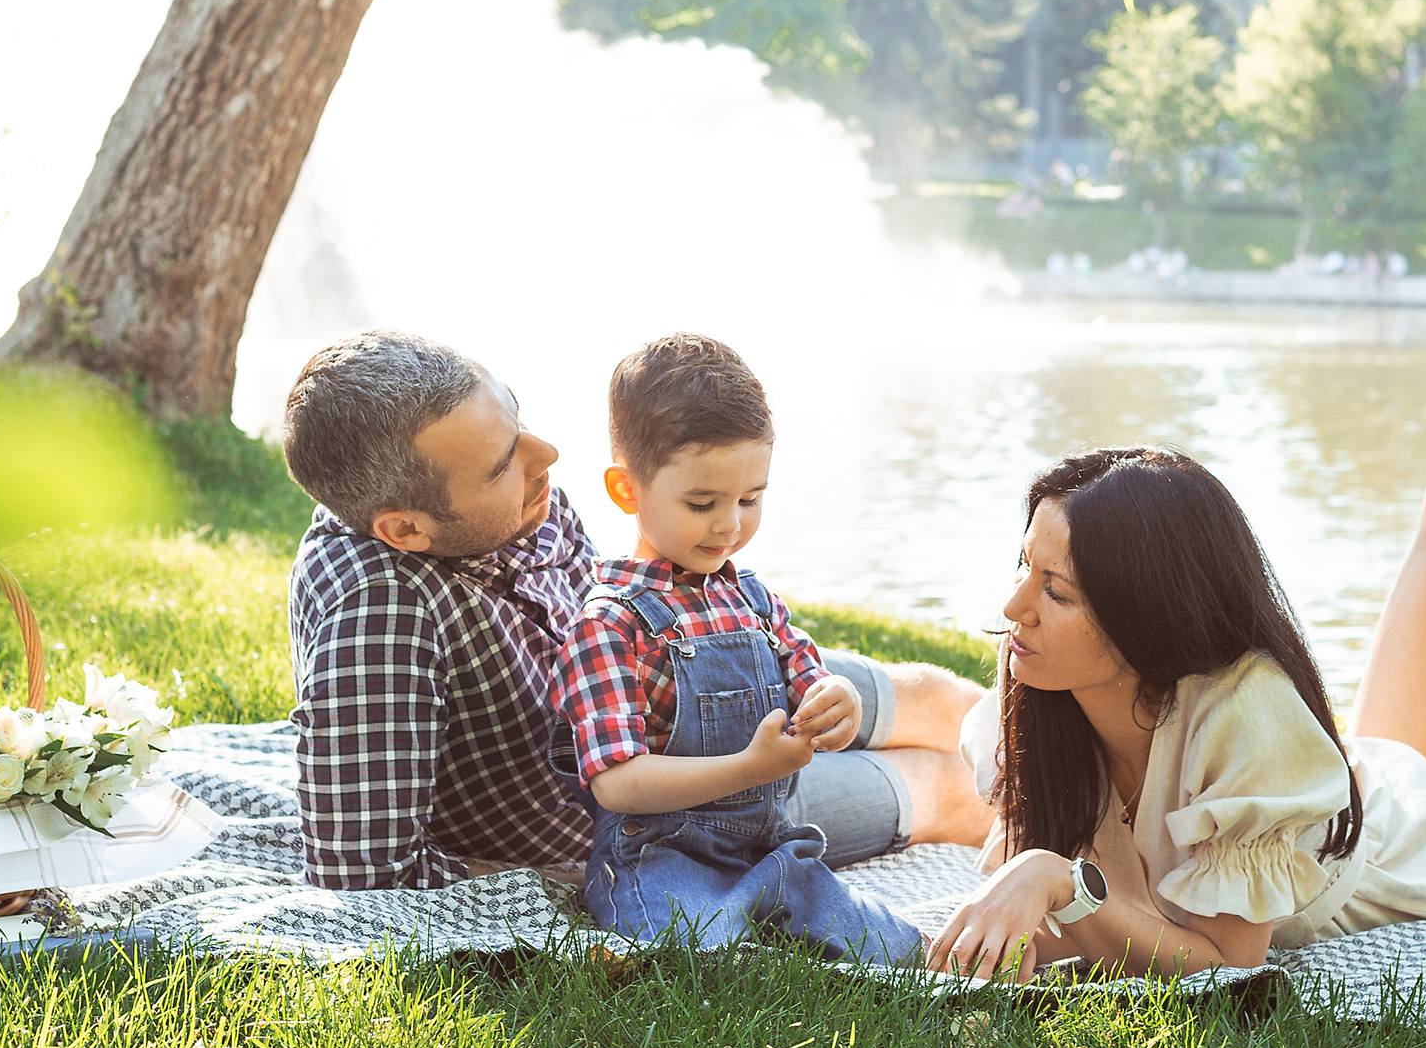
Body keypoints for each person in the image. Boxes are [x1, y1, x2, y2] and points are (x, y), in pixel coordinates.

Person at [927, 379, 1426, 981]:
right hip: (1336, 786)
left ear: (1144, 619)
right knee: (1378, 753)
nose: (1013, 607)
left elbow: (1225, 964)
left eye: (1057, 591)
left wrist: (1058, 880)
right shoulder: (1040, 702)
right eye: (1025, 565)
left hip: (1409, 848)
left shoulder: (1247, 712)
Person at [279, 329, 990, 889]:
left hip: (669, 668)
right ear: (406, 528)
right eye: (503, 463)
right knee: (951, 787)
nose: (546, 454)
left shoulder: (515, 494)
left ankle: (1098, 778)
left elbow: (619, 595)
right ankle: (1077, 864)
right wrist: (559, 884)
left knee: (938, 698)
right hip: (666, 809)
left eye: (517, 421)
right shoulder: (375, 617)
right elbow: (362, 877)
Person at [556, 334, 920, 962]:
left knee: (892, 949)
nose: (730, 524)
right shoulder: (609, 625)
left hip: (770, 845)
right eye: (703, 503)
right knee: (699, 953)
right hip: (660, 856)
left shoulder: (751, 597)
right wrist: (749, 769)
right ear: (625, 490)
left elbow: (809, 679)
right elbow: (617, 783)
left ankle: (779, 903)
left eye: (751, 499)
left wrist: (838, 706)